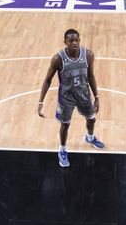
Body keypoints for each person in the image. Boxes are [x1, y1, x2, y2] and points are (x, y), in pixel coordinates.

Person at [38, 28, 105, 167]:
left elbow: (91, 76)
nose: (74, 43)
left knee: (92, 119)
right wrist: (41, 101)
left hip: (84, 94)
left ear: (79, 41)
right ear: (65, 42)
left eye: (76, 40)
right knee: (65, 125)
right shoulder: (58, 59)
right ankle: (62, 149)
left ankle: (90, 138)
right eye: (71, 40)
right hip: (66, 97)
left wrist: (96, 96)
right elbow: (47, 80)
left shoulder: (88, 55)